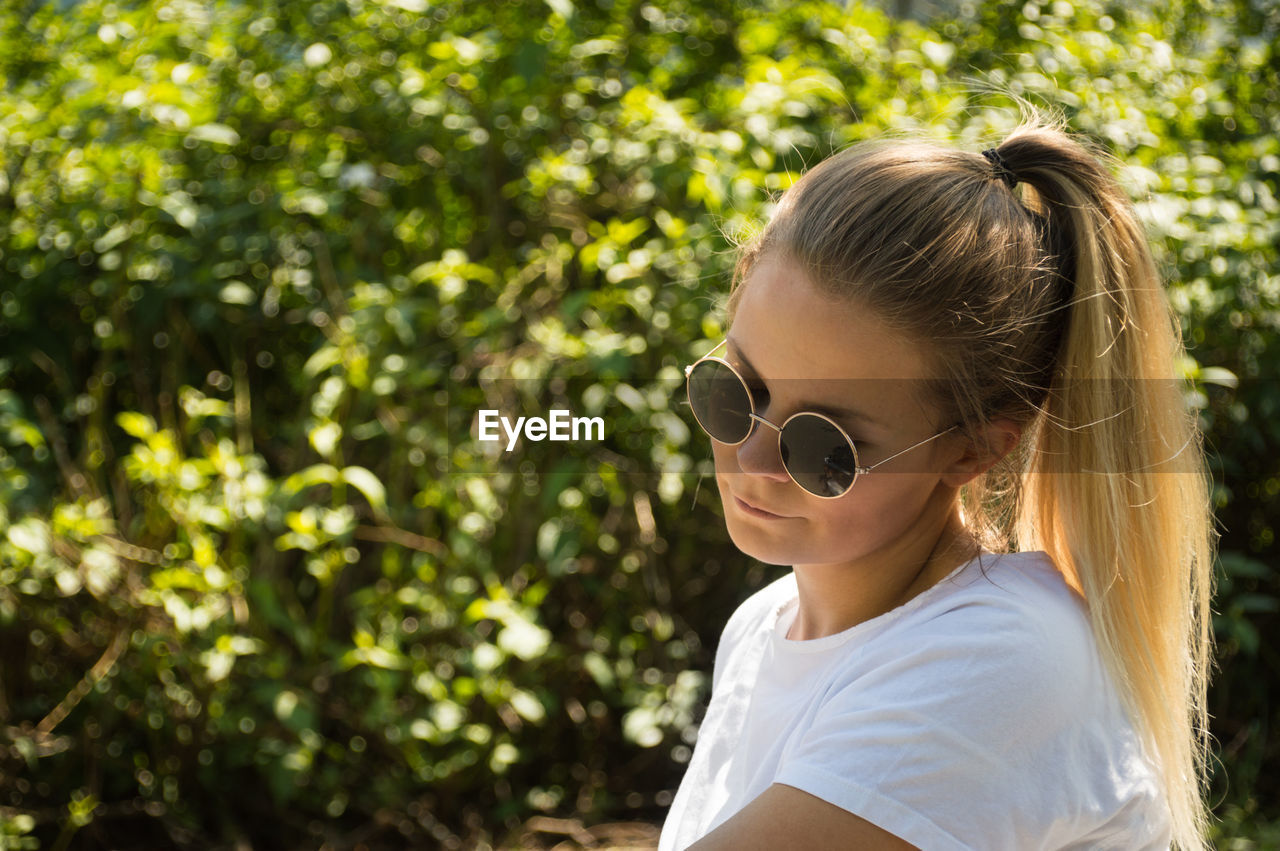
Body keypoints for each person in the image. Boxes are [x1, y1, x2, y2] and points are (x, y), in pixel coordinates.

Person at [660, 116, 1215, 851]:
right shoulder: (765, 625)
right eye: (734, 391)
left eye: (826, 446)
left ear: (969, 452)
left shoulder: (1004, 658)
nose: (751, 461)